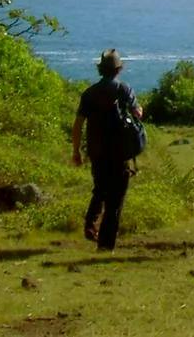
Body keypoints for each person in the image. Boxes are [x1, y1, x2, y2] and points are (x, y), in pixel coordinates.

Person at [71, 48, 142, 252]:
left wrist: (76, 151)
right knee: (116, 199)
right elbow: (137, 113)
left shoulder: (89, 93)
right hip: (120, 152)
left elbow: (78, 125)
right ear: (119, 69)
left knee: (100, 188)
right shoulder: (124, 89)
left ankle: (90, 224)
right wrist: (138, 111)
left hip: (96, 150)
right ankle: (105, 244)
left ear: (100, 69)